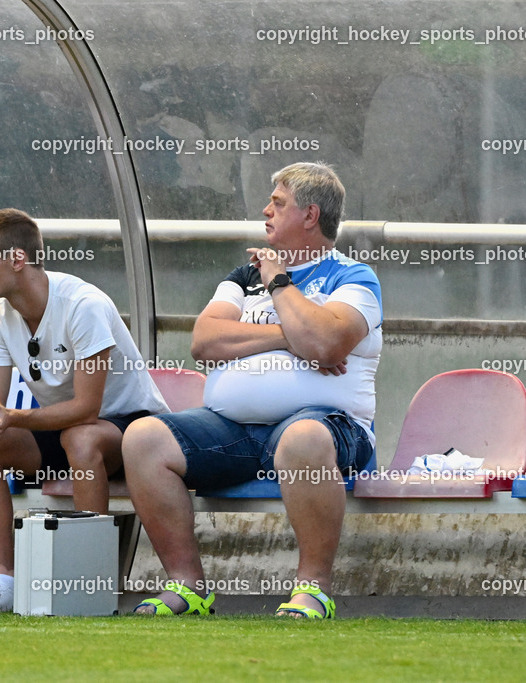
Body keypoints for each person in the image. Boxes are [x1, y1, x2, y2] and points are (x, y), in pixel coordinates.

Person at [123, 162, 381, 618]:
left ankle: (313, 589)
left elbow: (327, 344)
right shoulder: (244, 275)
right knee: (143, 438)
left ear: (310, 215)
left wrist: (279, 282)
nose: (265, 211)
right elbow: (205, 341)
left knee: (303, 437)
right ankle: (187, 587)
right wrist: (289, 336)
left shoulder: (352, 276)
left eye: (278, 203)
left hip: (326, 428)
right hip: (234, 430)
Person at [0, 208, 168, 612]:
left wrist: (13, 417)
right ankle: (5, 579)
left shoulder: (83, 304)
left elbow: (87, 409)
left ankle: (90, 583)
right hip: (65, 428)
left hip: (134, 431)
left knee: (82, 438)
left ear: (18, 260)